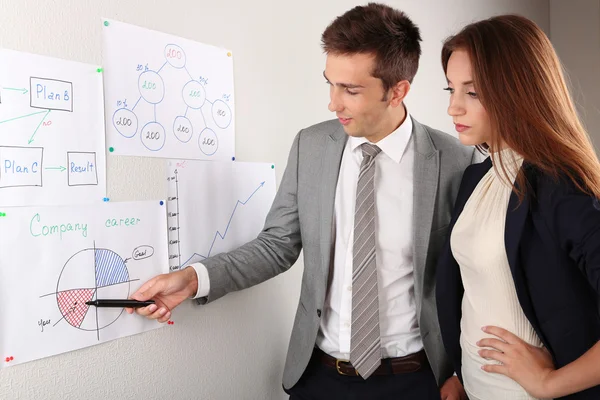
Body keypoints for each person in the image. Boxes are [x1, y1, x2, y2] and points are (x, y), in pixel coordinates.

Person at [130, 3, 474, 399]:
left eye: (351, 90)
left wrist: (462, 373)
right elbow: (276, 246)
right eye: (330, 82)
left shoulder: (456, 161)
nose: (333, 102)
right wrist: (192, 280)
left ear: (398, 90)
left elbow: (471, 281)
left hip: (418, 380)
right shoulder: (311, 145)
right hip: (319, 377)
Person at [436, 14, 600, 400]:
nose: (453, 109)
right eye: (451, 90)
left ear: (518, 91)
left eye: (472, 93)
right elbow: (481, 291)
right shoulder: (477, 179)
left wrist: (550, 384)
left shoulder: (563, 186)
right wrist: (462, 375)